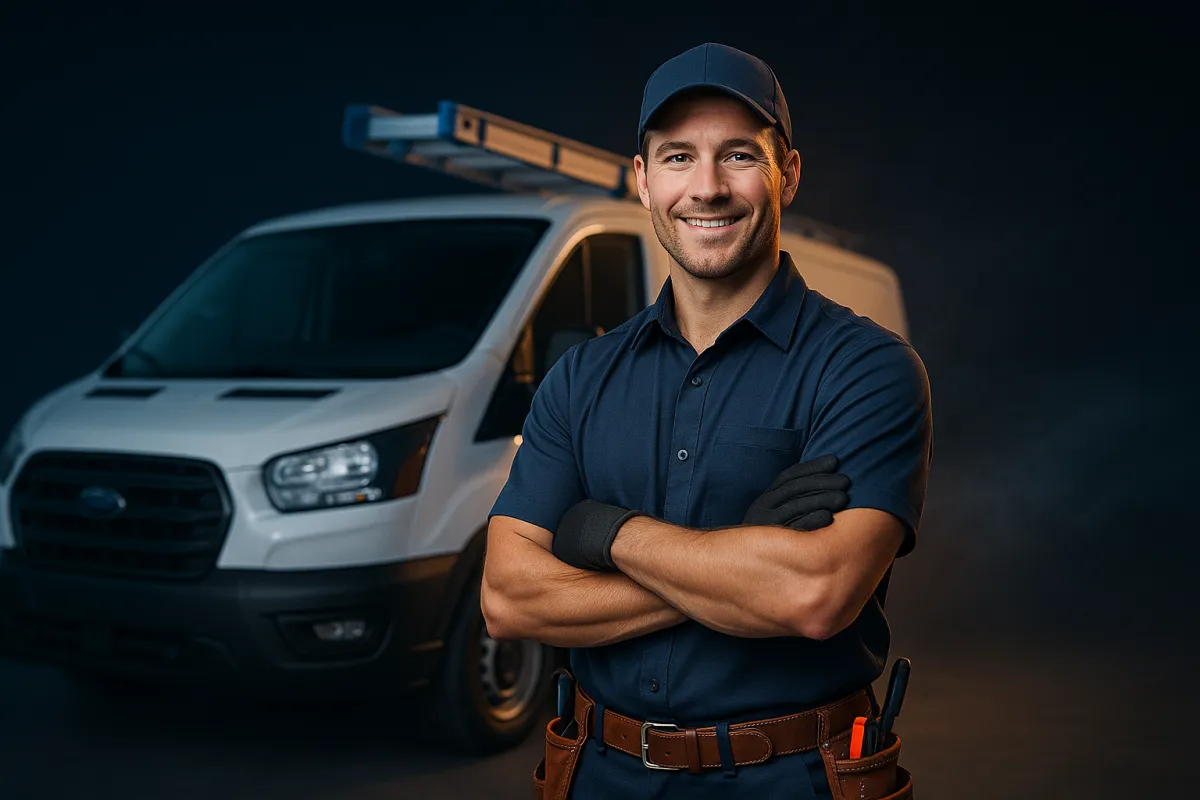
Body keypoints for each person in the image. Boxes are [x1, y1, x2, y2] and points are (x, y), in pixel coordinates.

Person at [482, 42, 933, 800]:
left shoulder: (869, 369)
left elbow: (815, 597)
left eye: (739, 157)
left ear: (788, 171)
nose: (708, 188)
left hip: (792, 776)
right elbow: (508, 596)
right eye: (679, 157)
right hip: (600, 773)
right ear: (643, 180)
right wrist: (741, 563)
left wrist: (606, 535)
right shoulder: (581, 378)